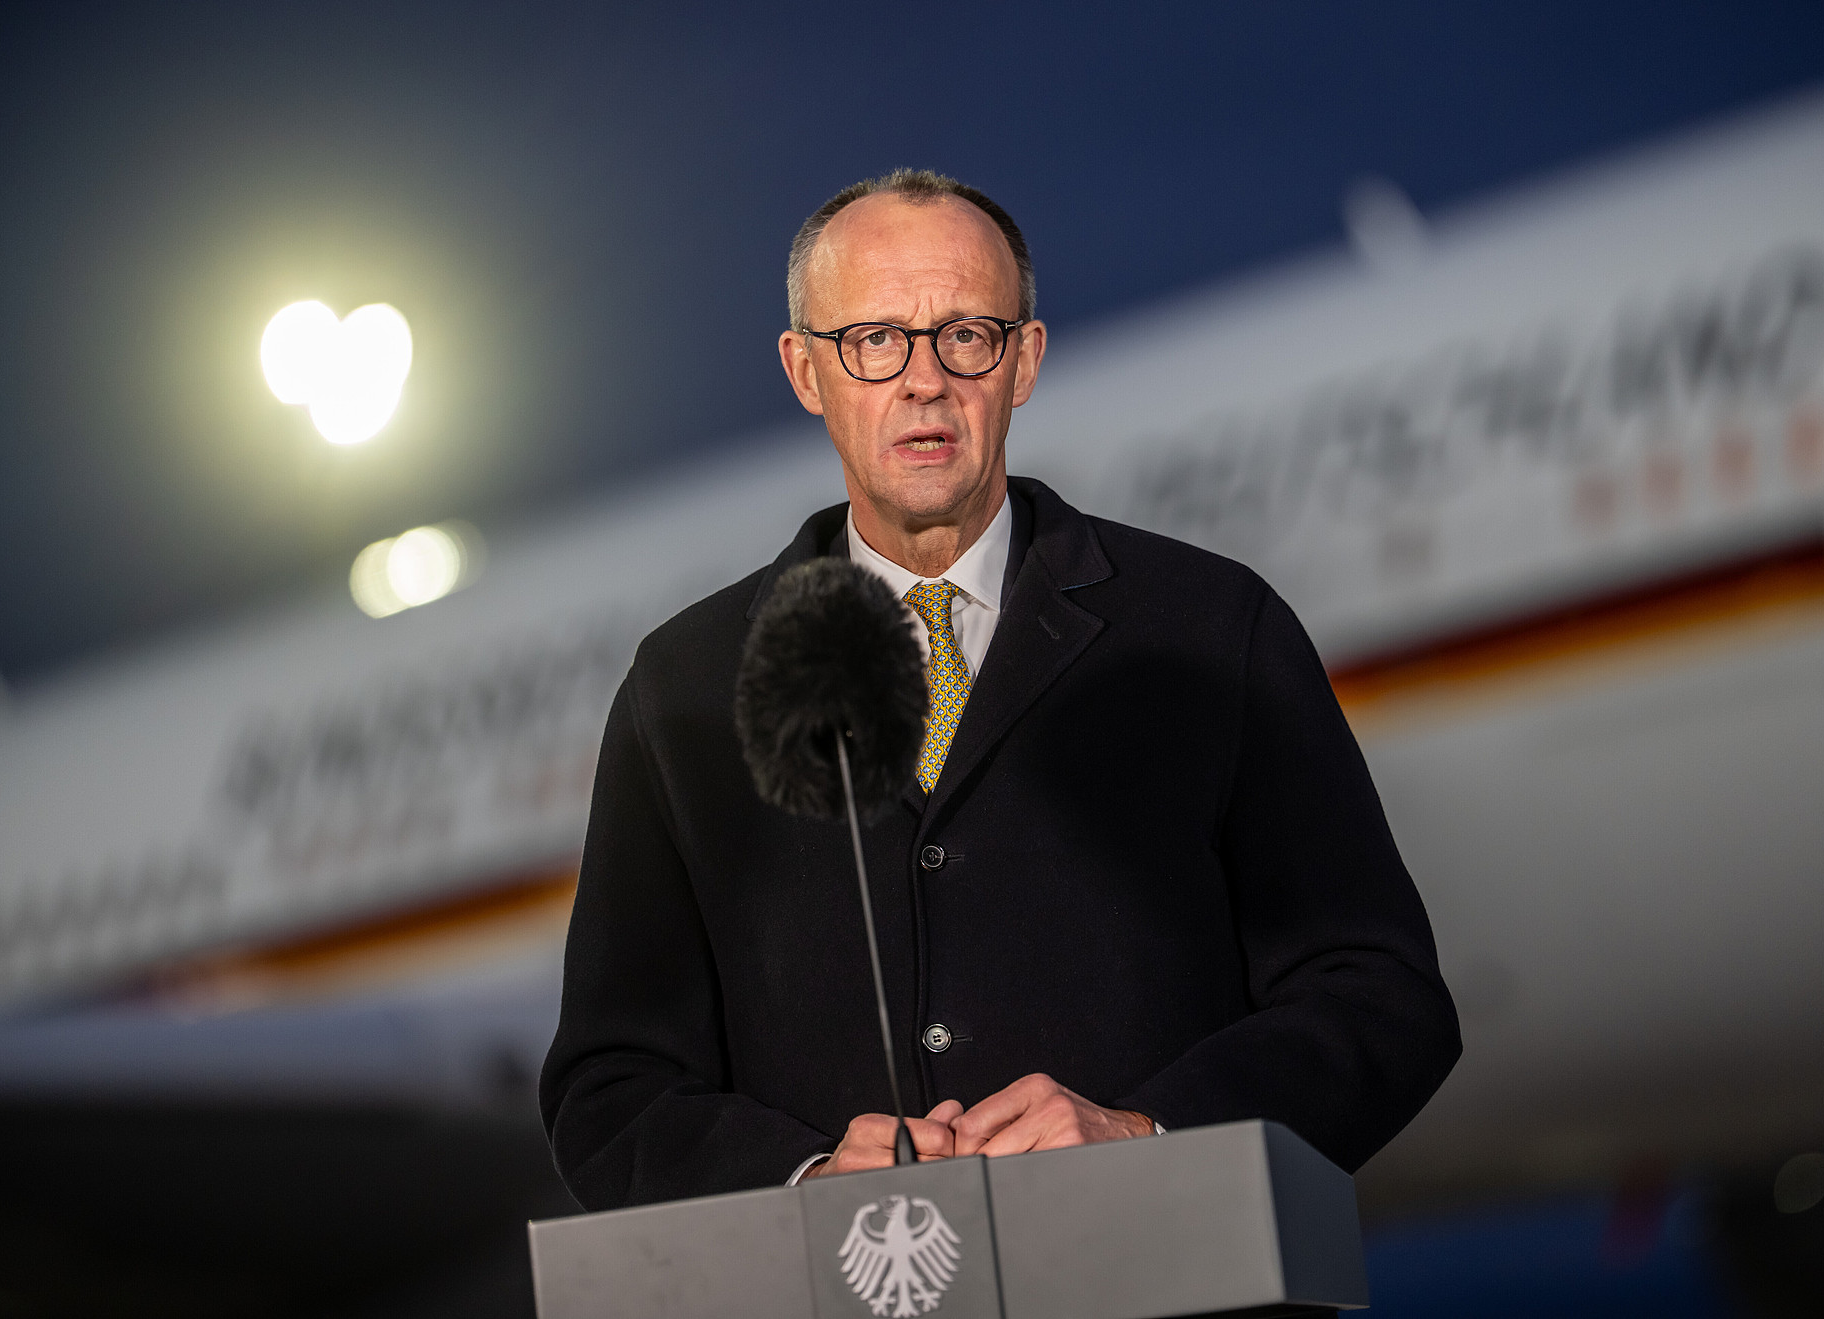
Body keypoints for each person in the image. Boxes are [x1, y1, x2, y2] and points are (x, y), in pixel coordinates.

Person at [539, 168, 1459, 1205]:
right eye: (873, 340)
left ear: (1023, 360)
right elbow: (609, 1087)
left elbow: (1380, 997)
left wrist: (1150, 1132)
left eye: (965, 334)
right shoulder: (686, 692)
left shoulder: (1211, 628)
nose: (922, 380)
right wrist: (799, 1179)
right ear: (806, 371)